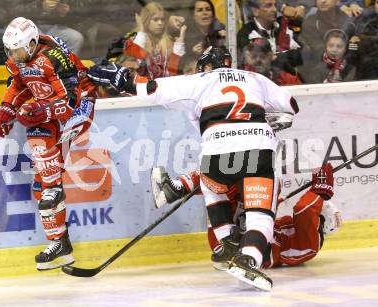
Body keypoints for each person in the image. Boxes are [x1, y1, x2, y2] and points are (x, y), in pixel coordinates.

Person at [85, 46, 299, 291]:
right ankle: (247, 259)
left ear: (207, 66)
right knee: (260, 216)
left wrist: (121, 77)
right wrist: (266, 116)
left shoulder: (198, 80)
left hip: (216, 152)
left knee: (212, 187)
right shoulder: (256, 79)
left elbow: (148, 88)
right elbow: (291, 104)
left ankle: (226, 242)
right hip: (257, 148)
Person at [0, 17, 98, 271]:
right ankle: (61, 246)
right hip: (51, 108)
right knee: (43, 186)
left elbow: (70, 100)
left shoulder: (54, 57)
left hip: (80, 107)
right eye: (9, 50)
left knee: (46, 171)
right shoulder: (20, 59)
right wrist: (6, 108)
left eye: (16, 49)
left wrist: (41, 110)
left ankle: (52, 194)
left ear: (32, 43)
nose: (12, 55)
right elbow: (19, 84)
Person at [149, 163, 341, 271]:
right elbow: (274, 226)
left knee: (229, 178)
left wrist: (321, 189)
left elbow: (304, 210)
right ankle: (173, 189)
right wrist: (270, 204)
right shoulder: (298, 235)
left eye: (320, 210)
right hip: (233, 238)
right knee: (224, 173)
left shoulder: (311, 244)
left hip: (238, 245)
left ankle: (174, 189)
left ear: (324, 220)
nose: (318, 209)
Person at [123, 2, 187, 79]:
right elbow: (133, 65)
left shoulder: (170, 42)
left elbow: (173, 72)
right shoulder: (132, 41)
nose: (160, 23)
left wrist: (178, 49)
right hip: (143, 88)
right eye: (155, 19)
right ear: (146, 20)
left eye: (162, 20)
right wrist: (142, 32)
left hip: (166, 88)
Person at [237, 0, 302, 73]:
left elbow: (299, 56)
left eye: (275, 5)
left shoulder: (283, 26)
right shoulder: (246, 33)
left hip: (289, 80)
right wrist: (281, 57)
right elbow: (255, 63)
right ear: (256, 11)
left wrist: (273, 57)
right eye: (268, 6)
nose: (274, 9)